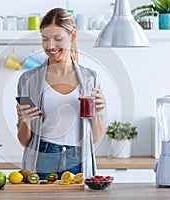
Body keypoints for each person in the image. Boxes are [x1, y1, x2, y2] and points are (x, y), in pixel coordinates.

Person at [16, 7, 106, 179]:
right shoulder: (29, 79)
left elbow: (94, 138)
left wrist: (97, 113)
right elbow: (24, 141)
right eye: (45, 39)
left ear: (72, 37)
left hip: (78, 159)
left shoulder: (90, 78)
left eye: (58, 39)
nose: (50, 46)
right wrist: (25, 122)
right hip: (42, 158)